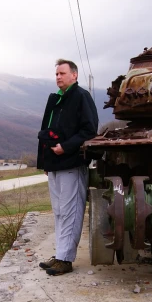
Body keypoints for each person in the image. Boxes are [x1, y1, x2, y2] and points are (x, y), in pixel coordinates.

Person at [36, 59, 99, 276]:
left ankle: (66, 259)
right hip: (54, 165)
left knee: (71, 211)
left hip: (72, 162)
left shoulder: (81, 96)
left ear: (74, 75)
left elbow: (90, 130)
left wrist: (66, 147)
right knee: (60, 212)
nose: (58, 77)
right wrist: (45, 162)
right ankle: (60, 254)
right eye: (56, 74)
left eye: (62, 73)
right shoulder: (56, 99)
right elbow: (46, 131)